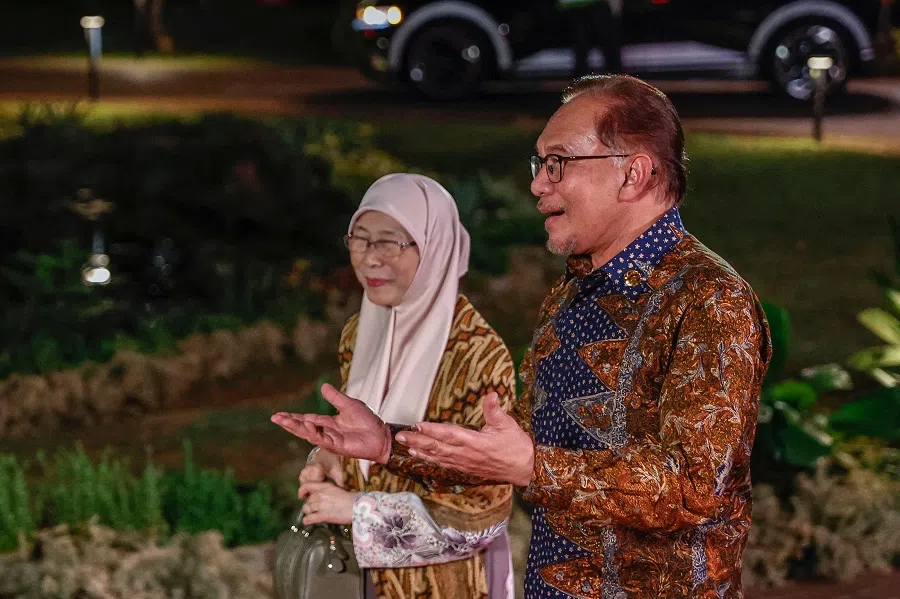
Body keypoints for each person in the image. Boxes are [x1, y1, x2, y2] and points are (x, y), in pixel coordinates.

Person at [273, 75, 771, 599]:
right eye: (539, 165)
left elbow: (694, 488)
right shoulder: (572, 295)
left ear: (634, 175)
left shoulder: (709, 300)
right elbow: (507, 449)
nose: (537, 184)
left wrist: (534, 465)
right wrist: (387, 444)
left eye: (559, 163)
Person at [282, 173, 517, 599]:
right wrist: (331, 455)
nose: (370, 258)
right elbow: (365, 437)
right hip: (360, 579)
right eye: (360, 239)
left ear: (434, 247)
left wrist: (360, 512)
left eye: (391, 242)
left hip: (445, 585)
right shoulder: (360, 332)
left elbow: (485, 512)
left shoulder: (477, 357)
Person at [559, 0, 623, 76]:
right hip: (575, 8)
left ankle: (617, 81)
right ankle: (581, 82)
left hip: (596, 6)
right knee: (581, 49)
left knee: (609, 48)